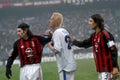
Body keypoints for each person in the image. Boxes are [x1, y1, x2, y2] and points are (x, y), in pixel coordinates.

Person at [72, 14, 119, 80]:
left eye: (91, 21)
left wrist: (115, 67)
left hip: (107, 70)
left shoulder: (106, 35)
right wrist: (74, 42)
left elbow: (113, 50)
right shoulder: (94, 36)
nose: (89, 23)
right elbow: (85, 44)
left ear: (96, 23)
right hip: (101, 70)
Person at [47, 12, 76, 80]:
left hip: (65, 67)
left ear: (56, 21)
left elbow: (57, 50)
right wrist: (53, 37)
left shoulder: (57, 33)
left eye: (51, 19)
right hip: (70, 63)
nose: (49, 21)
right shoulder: (64, 31)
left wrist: (49, 45)